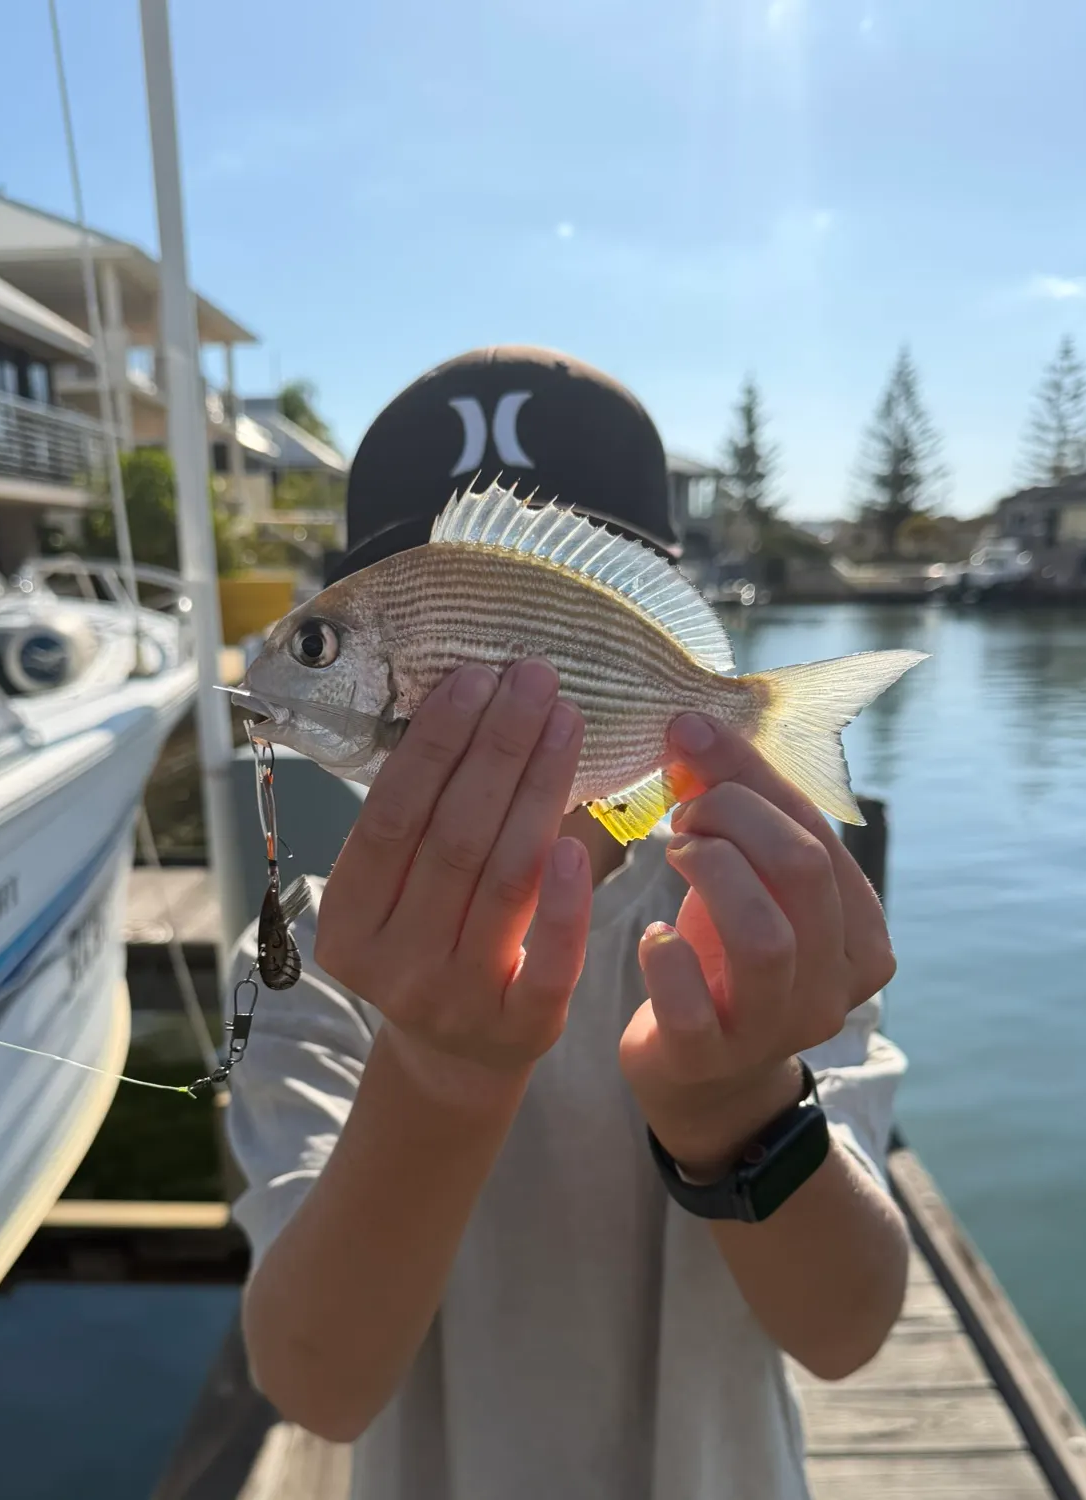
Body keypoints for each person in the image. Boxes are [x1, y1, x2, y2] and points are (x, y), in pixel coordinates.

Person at [226, 346, 909, 1500]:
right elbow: (318, 1388)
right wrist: (439, 1072)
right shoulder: (306, 962)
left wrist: (738, 1104)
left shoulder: (751, 920)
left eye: (313, 647)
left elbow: (848, 1333)